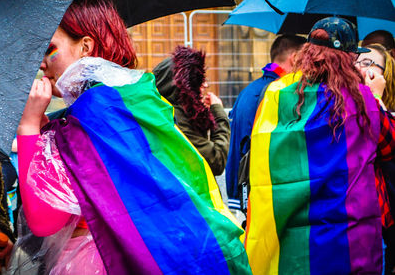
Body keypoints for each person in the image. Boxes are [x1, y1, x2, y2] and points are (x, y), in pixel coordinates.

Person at [14, 0, 251, 274]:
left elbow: (46, 220)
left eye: (50, 49)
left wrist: (29, 127)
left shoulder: (91, 115)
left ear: (86, 47)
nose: (42, 63)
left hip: (103, 262)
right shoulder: (136, 98)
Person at [244, 17, 395, 274]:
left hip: (291, 238)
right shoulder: (361, 102)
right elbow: (389, 144)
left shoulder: (275, 95)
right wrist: (376, 96)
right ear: (347, 60)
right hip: (350, 241)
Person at [225, 34, 306, 212]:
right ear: (295, 58)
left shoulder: (250, 90)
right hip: (267, 197)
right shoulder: (279, 93)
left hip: (248, 193)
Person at [153, 46, 230, 176]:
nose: (205, 85)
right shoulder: (175, 120)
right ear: (185, 86)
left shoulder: (165, 112)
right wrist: (218, 113)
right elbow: (217, 160)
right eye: (199, 80)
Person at [356, 43, 395, 274]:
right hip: (364, 218)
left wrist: (375, 98)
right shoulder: (351, 104)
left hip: (383, 220)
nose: (361, 69)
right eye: (358, 62)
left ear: (385, 74)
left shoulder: (379, 106)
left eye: (369, 64)